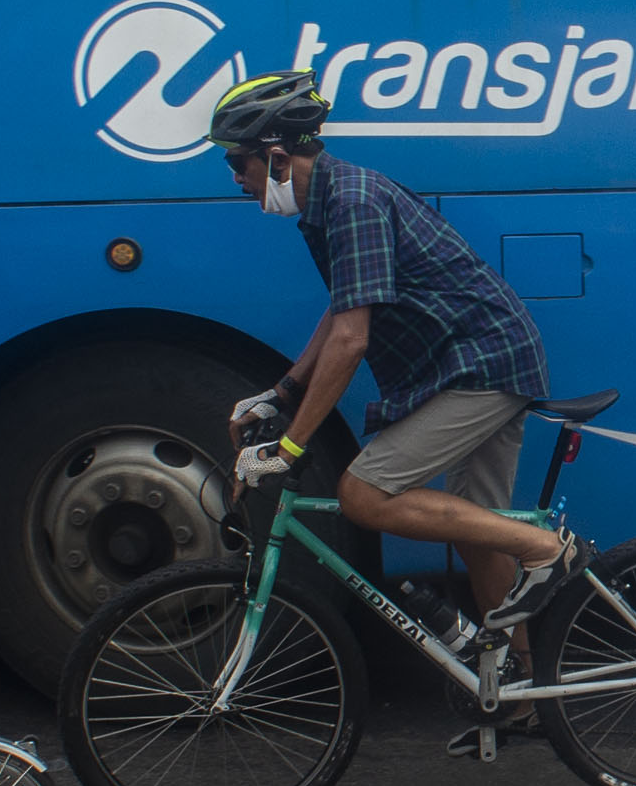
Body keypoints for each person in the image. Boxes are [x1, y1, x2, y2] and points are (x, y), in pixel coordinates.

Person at [210, 72, 568, 721]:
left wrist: (291, 446)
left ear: (279, 157)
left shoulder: (352, 201)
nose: (236, 177)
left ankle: (546, 550)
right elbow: (343, 308)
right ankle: (523, 694)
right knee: (477, 532)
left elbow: (351, 338)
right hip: (470, 360)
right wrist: (280, 392)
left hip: (481, 364)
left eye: (240, 162)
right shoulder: (326, 204)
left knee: (364, 493)